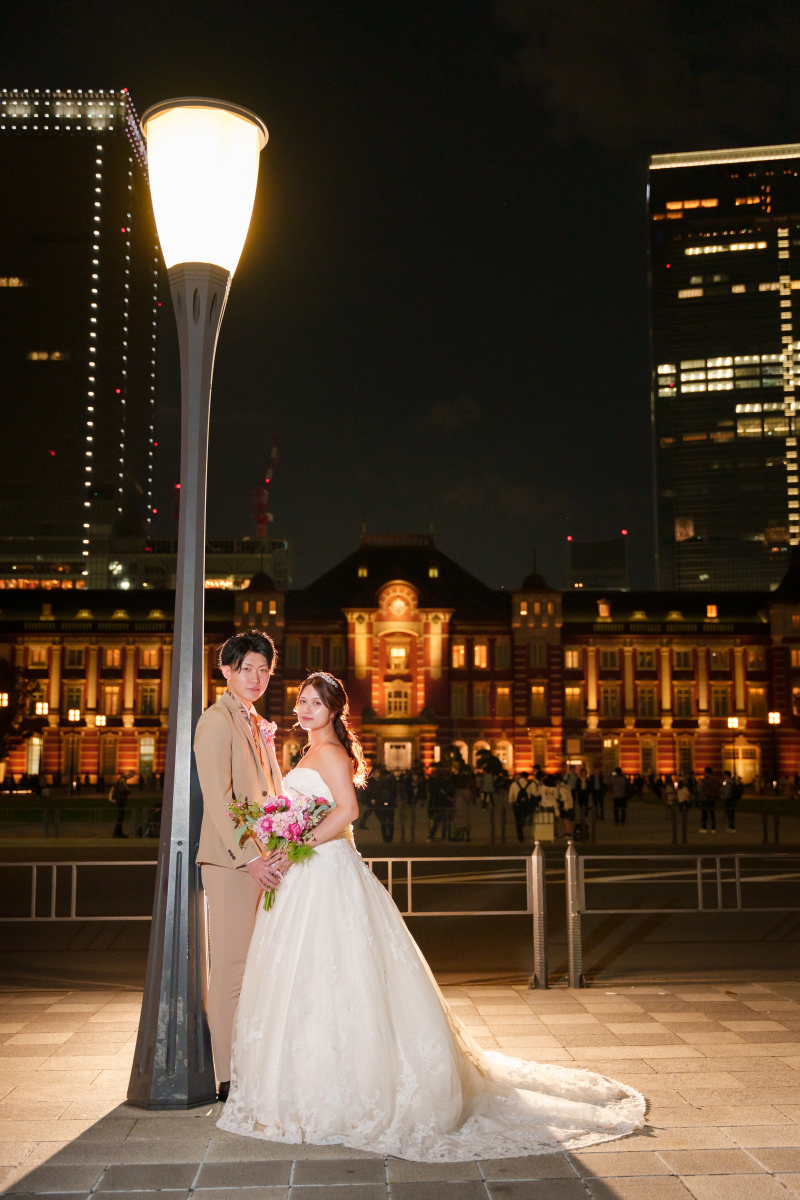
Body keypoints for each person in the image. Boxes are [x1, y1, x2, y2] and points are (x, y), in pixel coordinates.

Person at [218, 671, 644, 1159]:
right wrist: (285, 836)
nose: (305, 709)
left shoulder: (330, 752)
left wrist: (298, 844)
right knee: (310, 976)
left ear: (334, 710)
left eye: (316, 702)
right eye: (302, 700)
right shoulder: (309, 751)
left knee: (341, 973)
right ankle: (307, 1079)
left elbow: (348, 811)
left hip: (325, 870)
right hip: (307, 874)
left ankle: (350, 1086)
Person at [194, 630, 287, 1104]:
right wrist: (250, 856)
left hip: (264, 860)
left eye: (263, 669)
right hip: (233, 863)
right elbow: (219, 798)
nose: (256, 677)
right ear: (226, 670)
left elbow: (270, 794)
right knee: (231, 967)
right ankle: (227, 1076)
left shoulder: (256, 722)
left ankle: (251, 1062)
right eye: (246, 668)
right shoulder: (215, 721)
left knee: (257, 965)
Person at [508, 771, 533, 843]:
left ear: (520, 776)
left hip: (517, 804)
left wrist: (511, 802)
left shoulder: (514, 784)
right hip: (525, 805)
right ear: (527, 777)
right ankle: (524, 824)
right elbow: (529, 796)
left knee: (518, 821)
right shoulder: (529, 784)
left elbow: (511, 796)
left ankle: (520, 837)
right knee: (525, 817)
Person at [375, 766, 396, 843]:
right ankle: (390, 838)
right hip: (389, 804)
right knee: (390, 822)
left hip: (381, 804)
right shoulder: (390, 783)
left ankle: (385, 838)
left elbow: (376, 794)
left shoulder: (378, 783)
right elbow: (394, 793)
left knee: (383, 822)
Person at [698, 765, 720, 833]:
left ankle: (704, 828)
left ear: (705, 772)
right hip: (712, 798)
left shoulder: (704, 780)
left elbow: (700, 789)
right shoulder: (714, 780)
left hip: (705, 798)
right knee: (712, 813)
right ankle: (713, 828)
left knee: (704, 813)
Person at [111, 772, 130, 838]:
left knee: (121, 817)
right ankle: (117, 833)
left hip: (120, 800)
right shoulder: (122, 780)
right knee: (121, 817)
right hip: (121, 800)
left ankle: (118, 833)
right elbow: (122, 790)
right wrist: (128, 792)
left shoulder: (121, 780)